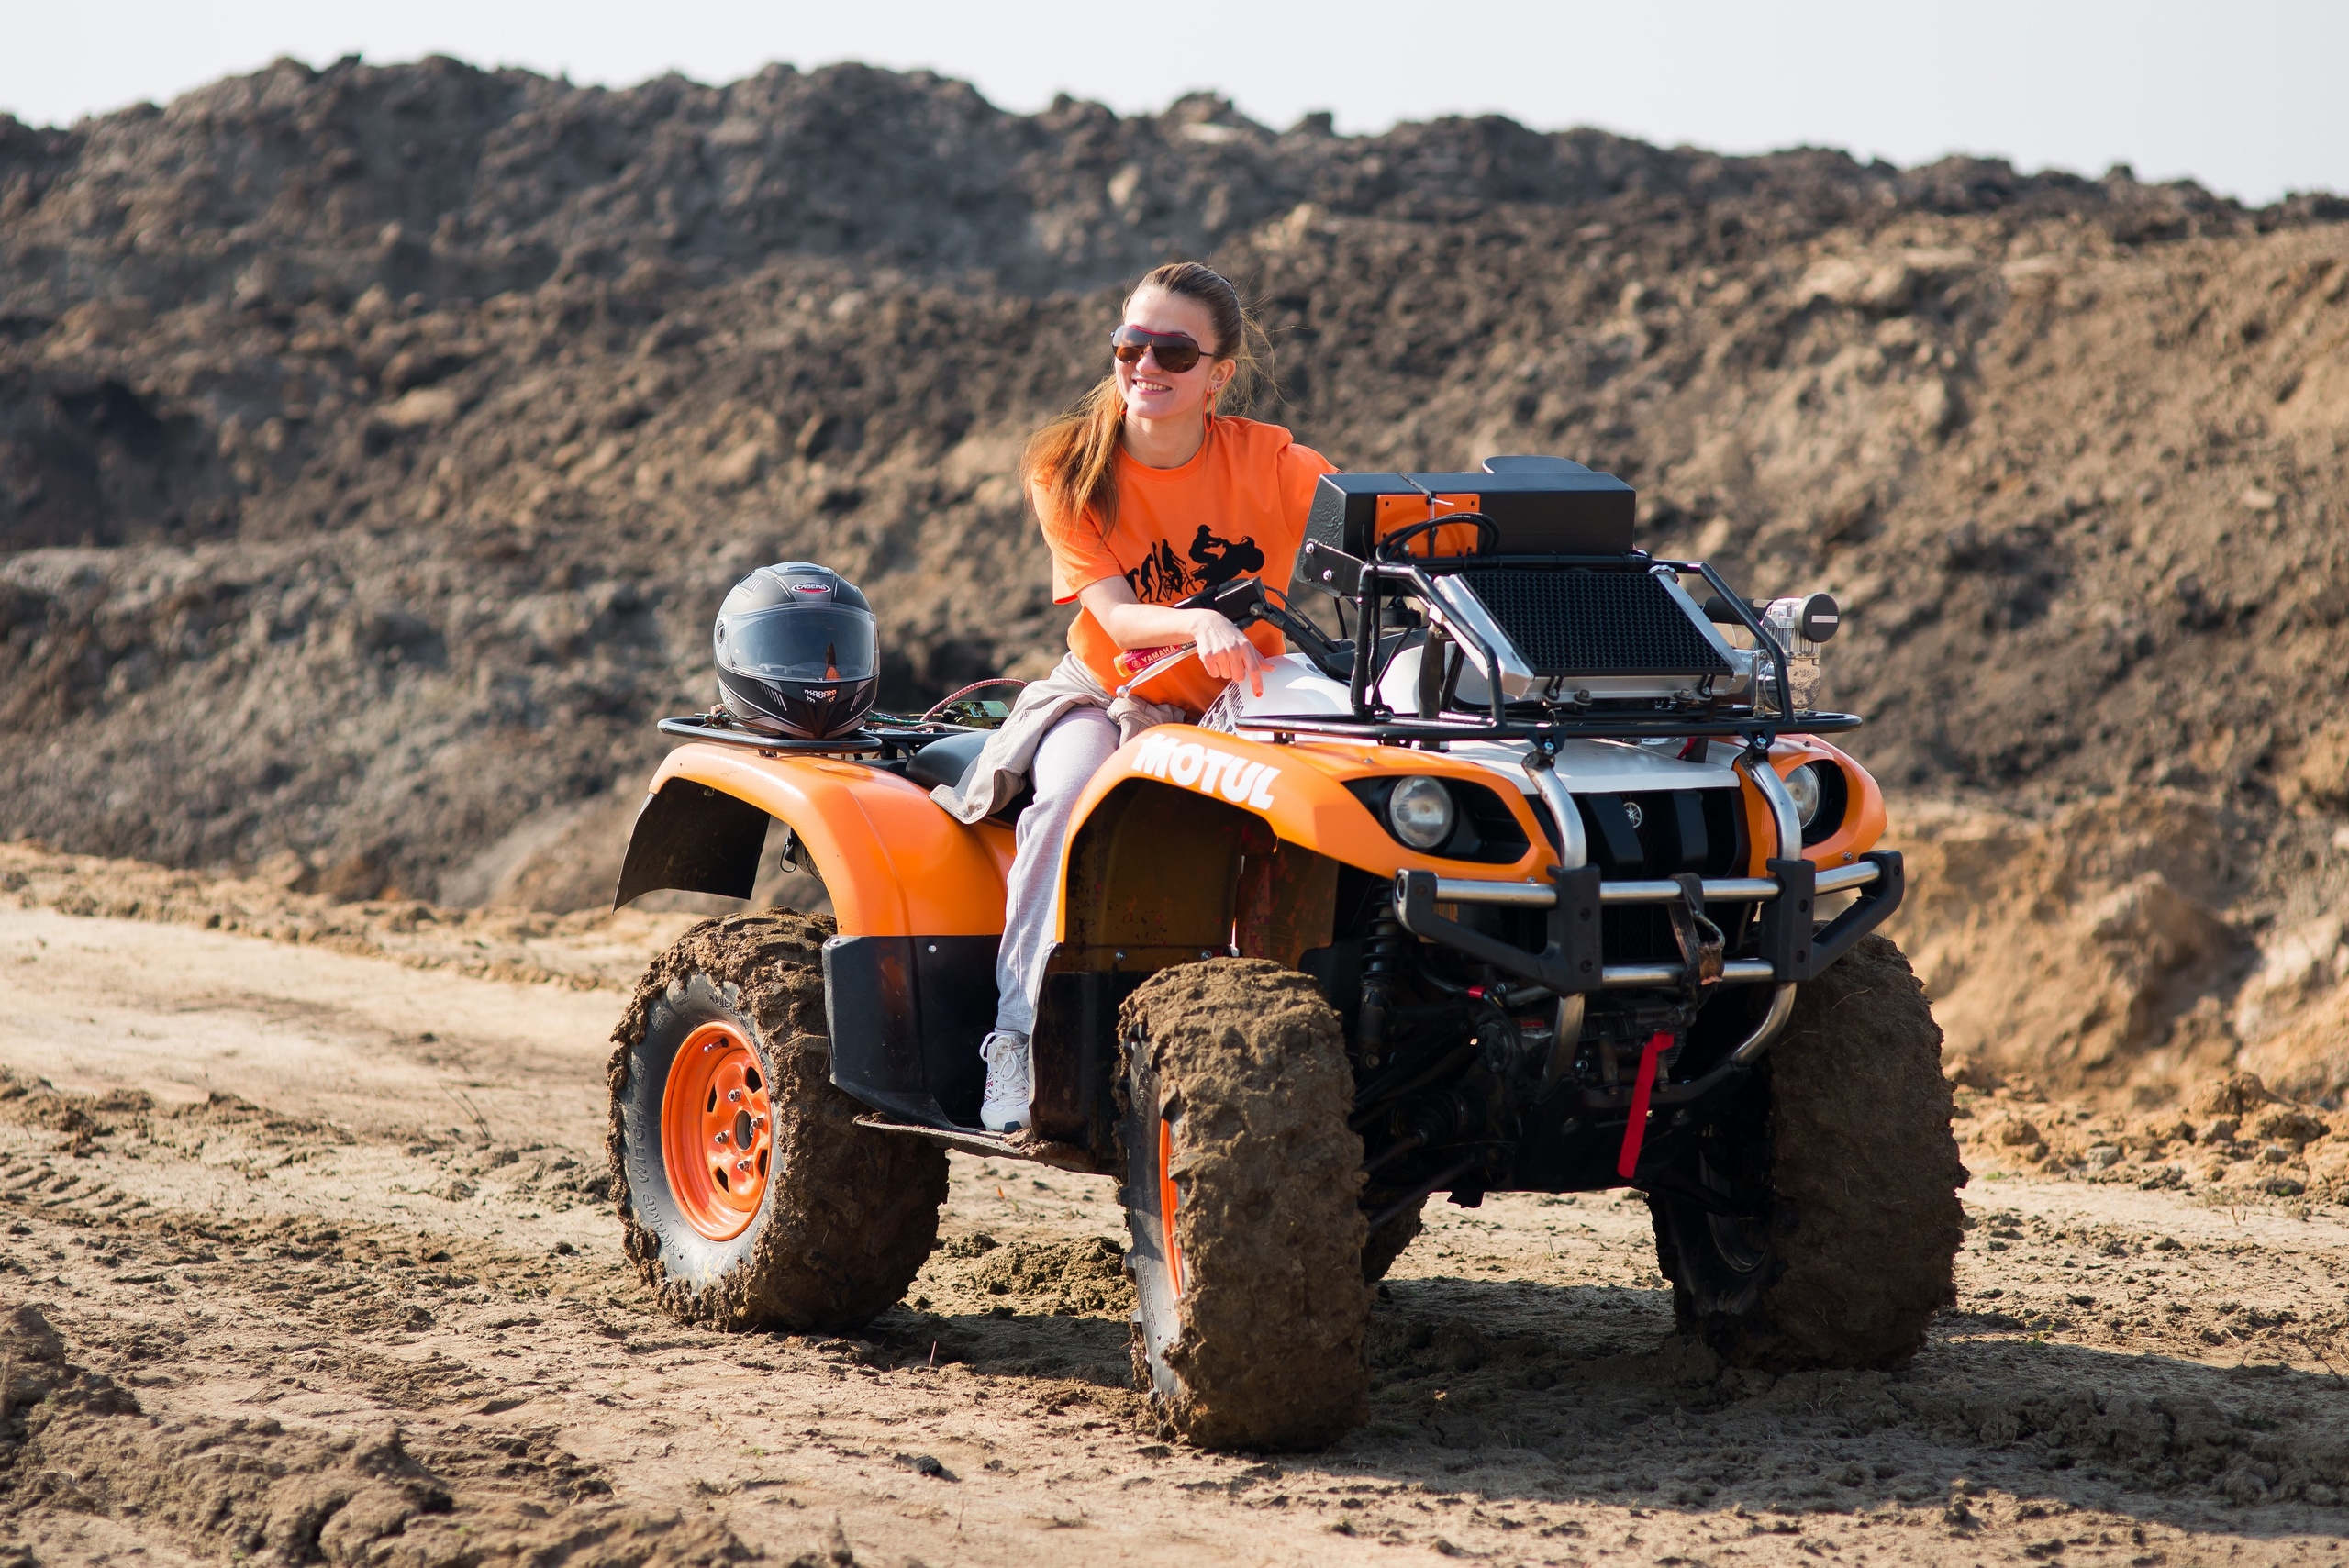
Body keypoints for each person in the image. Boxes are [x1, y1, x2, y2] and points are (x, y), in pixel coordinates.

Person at [928, 261, 1334, 1132]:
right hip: (1109, 693)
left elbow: (1390, 530)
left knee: (1327, 803)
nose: (1145, 366)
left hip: (1235, 697)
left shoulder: (1272, 460)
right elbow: (1113, 618)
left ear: (1218, 375)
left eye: (1174, 352)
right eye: (1130, 345)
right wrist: (1198, 625)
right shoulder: (1069, 467)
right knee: (1067, 798)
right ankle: (1014, 1039)